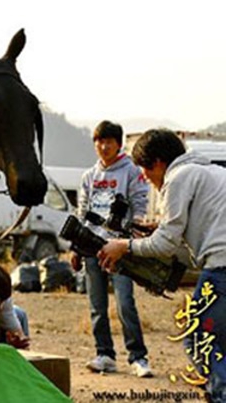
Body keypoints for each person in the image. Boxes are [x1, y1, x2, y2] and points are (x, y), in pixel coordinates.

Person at [99, 128, 226, 401]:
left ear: (157, 162)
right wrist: (159, 228)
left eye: (145, 171)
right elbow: (191, 233)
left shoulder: (178, 178)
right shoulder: (210, 172)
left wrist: (123, 246)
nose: (145, 178)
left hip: (221, 269)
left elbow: (165, 245)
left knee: (200, 341)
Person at [71, 120, 152, 377]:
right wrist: (76, 247)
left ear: (119, 143)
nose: (103, 146)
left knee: (125, 303)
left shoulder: (131, 171)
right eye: (99, 141)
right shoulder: (89, 176)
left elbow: (140, 203)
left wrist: (134, 233)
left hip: (119, 247)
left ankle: (138, 357)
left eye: (109, 141)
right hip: (92, 247)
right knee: (96, 304)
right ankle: (104, 354)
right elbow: (82, 213)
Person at [0, 265, 30, 349]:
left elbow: (17, 332)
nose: (0, 307)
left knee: (20, 313)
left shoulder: (2, 291)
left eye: (2, 302)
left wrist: (18, 343)